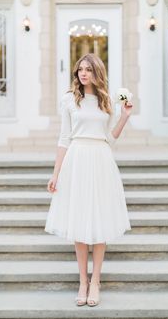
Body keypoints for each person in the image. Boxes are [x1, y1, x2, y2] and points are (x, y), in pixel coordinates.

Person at [45, 53, 132, 307]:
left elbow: (110, 138)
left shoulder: (106, 101)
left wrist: (124, 116)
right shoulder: (70, 100)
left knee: (100, 221)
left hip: (101, 160)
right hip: (77, 159)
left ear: (97, 72)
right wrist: (55, 172)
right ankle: (83, 281)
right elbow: (64, 139)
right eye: (80, 69)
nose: (83, 73)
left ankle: (96, 281)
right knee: (80, 222)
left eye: (88, 69)